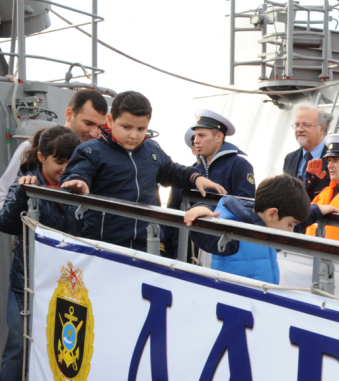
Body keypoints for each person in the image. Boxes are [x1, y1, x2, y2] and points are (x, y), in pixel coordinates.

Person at [59, 91, 226, 250]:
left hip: (146, 241)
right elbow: (79, 170)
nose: (134, 135)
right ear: (110, 121)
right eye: (126, 127)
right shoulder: (91, 151)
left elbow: (172, 171)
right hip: (105, 242)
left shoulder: (151, 150)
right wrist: (78, 180)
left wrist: (195, 178)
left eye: (141, 129)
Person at [0, 126, 81, 381]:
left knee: (62, 350)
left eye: (69, 161)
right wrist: (23, 191)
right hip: (27, 280)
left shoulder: (78, 181)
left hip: (65, 283)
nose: (64, 168)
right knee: (17, 348)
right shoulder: (27, 178)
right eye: (58, 161)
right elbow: (6, 223)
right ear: (42, 156)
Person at [184, 174, 335, 284]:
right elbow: (203, 238)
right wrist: (200, 210)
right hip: (235, 306)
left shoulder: (270, 227)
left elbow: (296, 223)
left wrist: (316, 211)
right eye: (290, 224)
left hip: (260, 306)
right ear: (272, 214)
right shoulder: (233, 234)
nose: (291, 231)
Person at [0, 89, 108, 209]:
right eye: (88, 123)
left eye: (100, 127)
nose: (94, 133)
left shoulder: (97, 156)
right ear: (69, 114)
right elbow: (4, 193)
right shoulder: (31, 147)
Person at [191, 109, 255, 198]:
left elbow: (245, 204)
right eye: (195, 136)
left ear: (218, 137)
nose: (196, 141)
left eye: (202, 135)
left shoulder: (238, 164)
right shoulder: (194, 169)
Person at [162, 128, 200, 259]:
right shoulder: (181, 179)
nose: (200, 144)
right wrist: (168, 254)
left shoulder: (223, 176)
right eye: (196, 142)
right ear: (193, 149)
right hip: (183, 253)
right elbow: (170, 219)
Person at [283, 104, 333, 200]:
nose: (300, 130)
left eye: (306, 125)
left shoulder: (335, 158)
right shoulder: (290, 158)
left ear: (321, 129)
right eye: (297, 125)